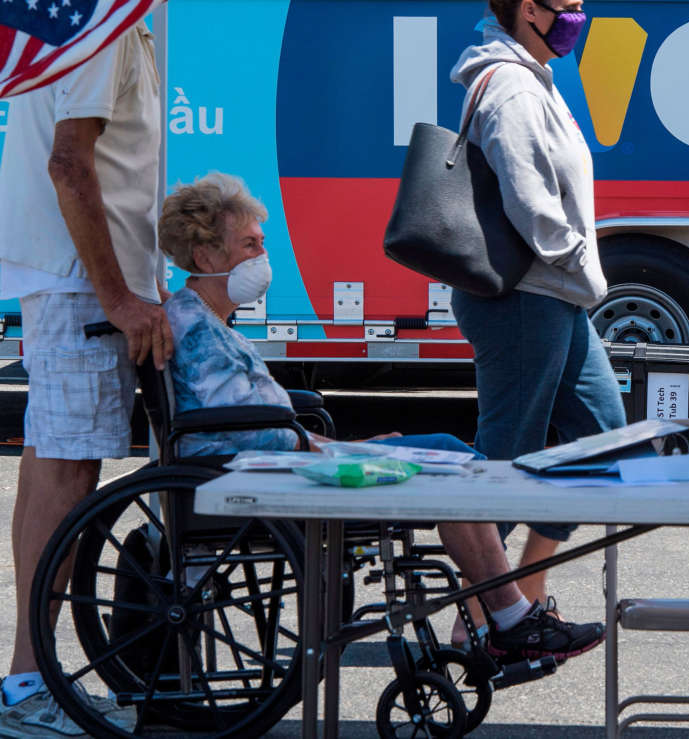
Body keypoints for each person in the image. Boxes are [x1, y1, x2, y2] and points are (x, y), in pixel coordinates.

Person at [156, 171, 605, 665]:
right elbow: (247, 432)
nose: (261, 256)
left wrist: (346, 445)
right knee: (449, 459)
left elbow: (249, 423)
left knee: (449, 455)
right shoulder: (197, 330)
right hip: (256, 479)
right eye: (248, 244)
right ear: (205, 256)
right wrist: (345, 449)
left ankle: (507, 614)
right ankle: (510, 616)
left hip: (273, 461)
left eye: (261, 243)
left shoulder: (206, 322)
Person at [0, 23, 171, 736]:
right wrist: (118, 297)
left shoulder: (95, 20)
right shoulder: (104, 25)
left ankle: (27, 681)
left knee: (54, 466)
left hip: (68, 284)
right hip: (80, 291)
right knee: (66, 471)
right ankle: (28, 687)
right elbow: (69, 165)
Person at [448, 0, 626, 629]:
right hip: (525, 297)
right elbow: (532, 204)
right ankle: (478, 614)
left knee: (599, 436)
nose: (579, 17)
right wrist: (584, 263)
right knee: (505, 458)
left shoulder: (532, 77)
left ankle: (520, 593)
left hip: (553, 296)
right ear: (529, 9)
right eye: (570, 7)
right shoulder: (514, 89)